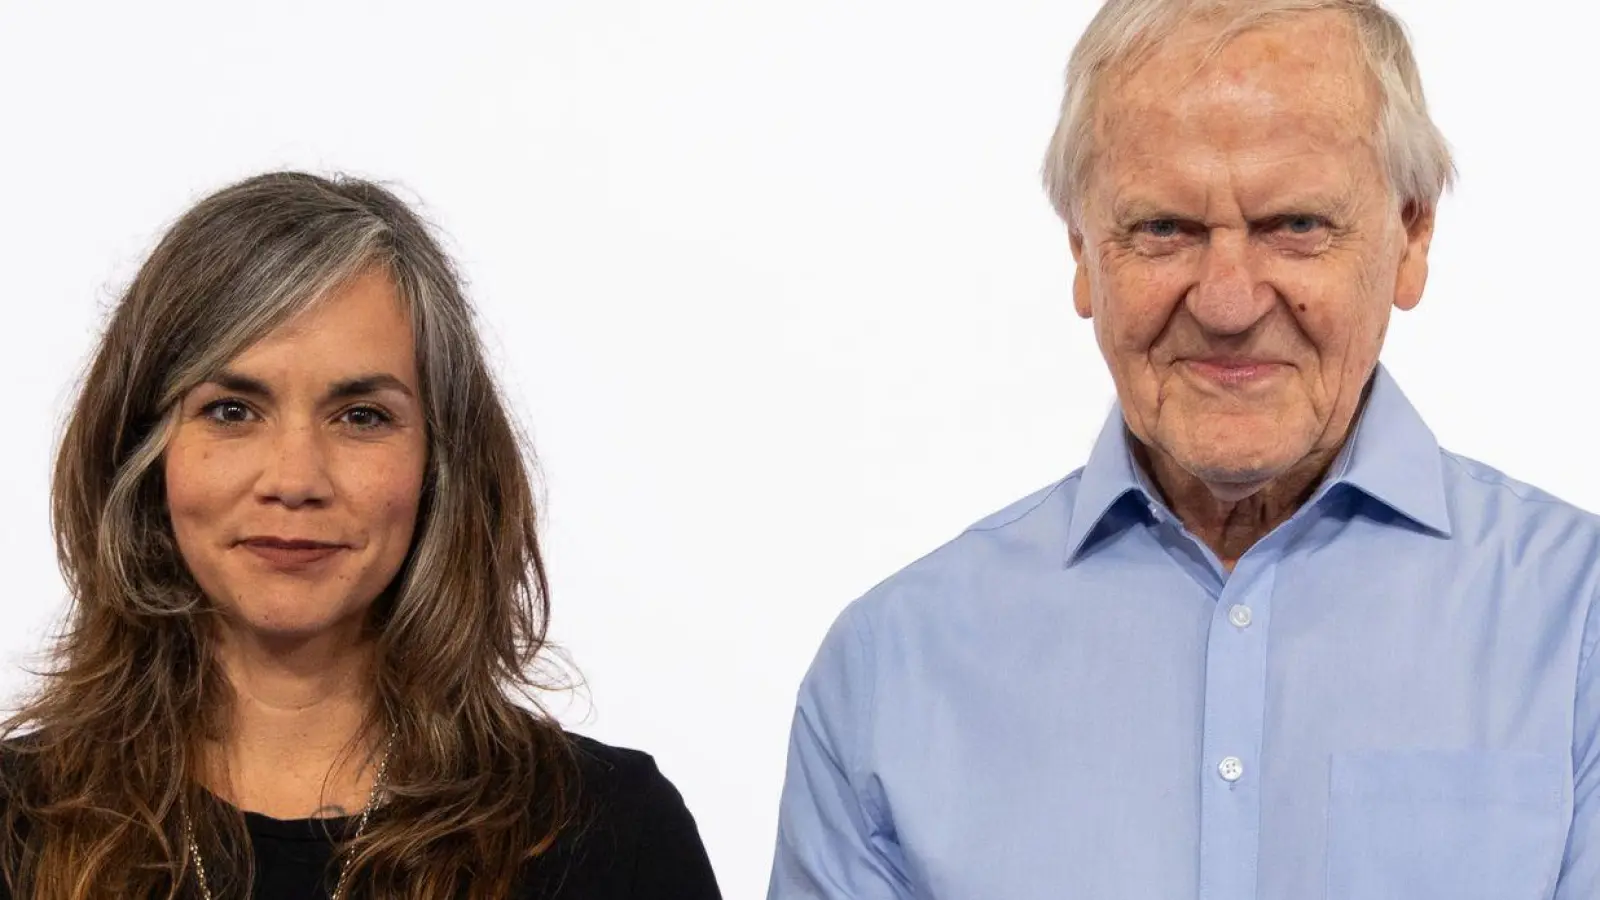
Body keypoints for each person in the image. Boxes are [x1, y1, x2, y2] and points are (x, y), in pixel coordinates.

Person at [767, 0, 1600, 897]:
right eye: (1164, 229)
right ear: (1082, 252)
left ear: (1412, 236)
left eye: (1296, 225)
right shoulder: (891, 670)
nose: (1228, 303)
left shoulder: (1578, 627)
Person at [0, 172, 722, 899]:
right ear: (143, 451)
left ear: (440, 462)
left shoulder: (611, 836)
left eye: (361, 417)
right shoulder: (14, 823)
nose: (294, 478)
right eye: (231, 411)